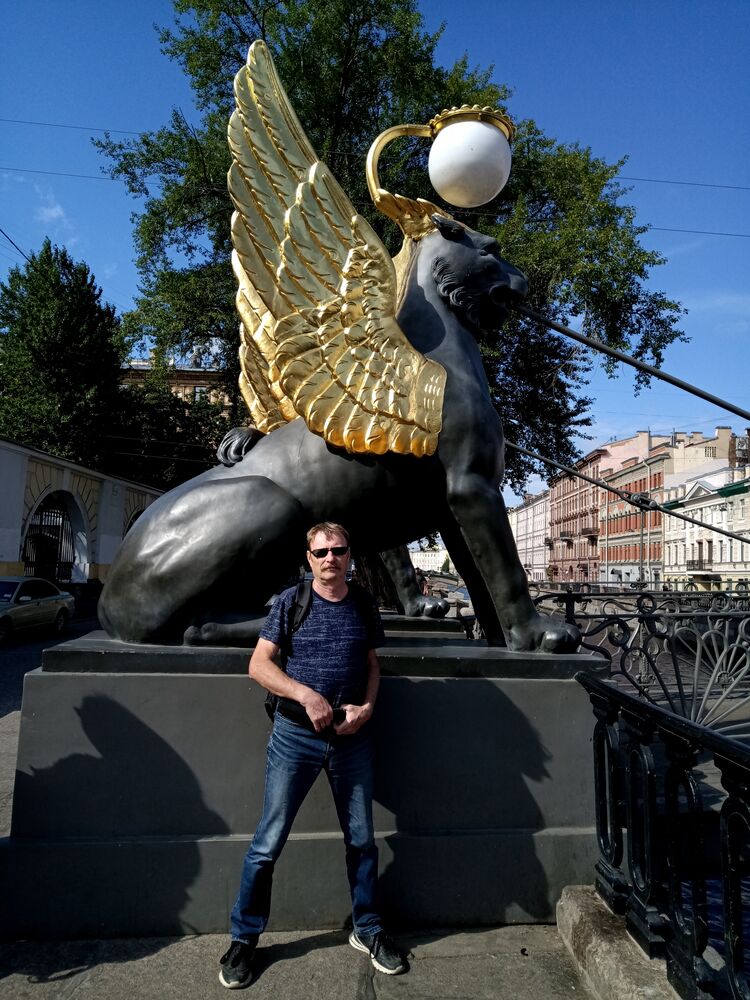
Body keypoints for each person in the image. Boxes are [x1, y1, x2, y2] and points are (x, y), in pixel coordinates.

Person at [219, 521, 407, 989]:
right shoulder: (292, 601)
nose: (330, 558)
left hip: (352, 737)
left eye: (338, 550)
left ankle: (368, 929)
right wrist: (305, 695)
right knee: (268, 842)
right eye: (321, 552)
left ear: (349, 555)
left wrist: (367, 708)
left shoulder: (363, 603)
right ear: (309, 558)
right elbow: (258, 664)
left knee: (362, 841)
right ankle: (244, 938)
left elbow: (373, 666)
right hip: (295, 736)